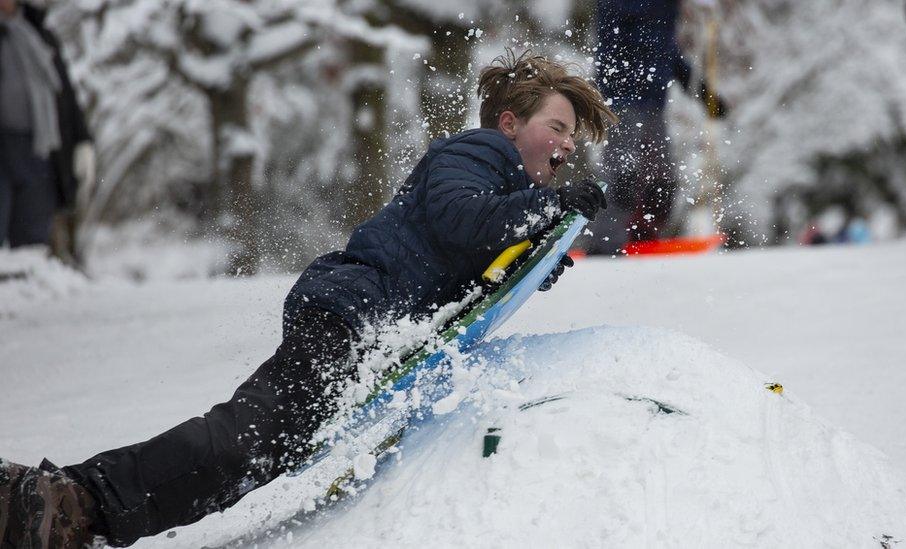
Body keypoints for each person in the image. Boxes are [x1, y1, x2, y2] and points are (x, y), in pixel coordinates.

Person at [0, 50, 617, 548]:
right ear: (510, 123)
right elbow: (461, 218)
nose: (566, 146)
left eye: (571, 135)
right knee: (249, 439)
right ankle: (68, 500)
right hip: (353, 311)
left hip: (361, 319)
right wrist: (546, 210)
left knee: (259, 449)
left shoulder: (507, 189)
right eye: (555, 127)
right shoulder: (479, 152)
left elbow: (473, 255)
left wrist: (535, 253)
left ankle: (79, 510)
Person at [587, 0, 724, 254]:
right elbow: (630, 33)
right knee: (623, 176)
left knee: (661, 180)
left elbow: (665, 49)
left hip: (654, 104)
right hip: (621, 100)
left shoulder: (663, 11)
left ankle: (642, 237)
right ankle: (605, 244)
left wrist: (704, 93)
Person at [0, 0, 94, 253]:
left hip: (39, 148)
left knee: (32, 238)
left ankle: (29, 287)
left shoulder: (39, 34)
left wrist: (82, 140)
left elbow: (64, 94)